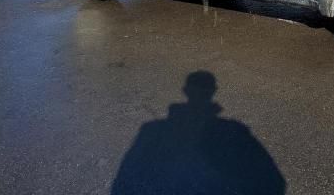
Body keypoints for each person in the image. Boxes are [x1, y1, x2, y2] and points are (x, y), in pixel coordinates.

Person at [111, 71, 286, 195]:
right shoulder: (234, 128)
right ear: (213, 91)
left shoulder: (152, 128)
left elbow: (129, 171)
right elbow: (274, 181)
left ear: (186, 91)